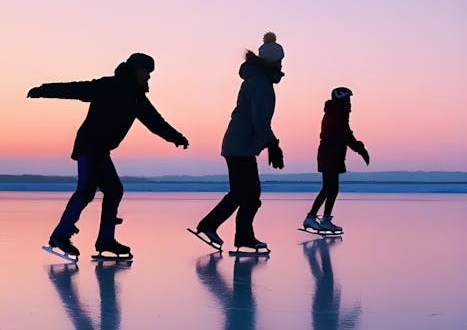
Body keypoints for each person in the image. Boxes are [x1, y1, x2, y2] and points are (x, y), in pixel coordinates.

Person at [27, 53, 189, 258]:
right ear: (136, 70)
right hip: (89, 146)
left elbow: (155, 121)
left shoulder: (137, 98)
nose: (148, 78)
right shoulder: (108, 86)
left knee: (112, 190)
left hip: (100, 150)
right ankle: (63, 235)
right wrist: (43, 90)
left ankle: (105, 239)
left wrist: (176, 137)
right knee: (87, 191)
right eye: (147, 73)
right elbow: (75, 89)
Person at [192, 32, 285, 252]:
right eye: (279, 61)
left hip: (238, 145)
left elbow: (257, 120)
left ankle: (215, 227)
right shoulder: (260, 84)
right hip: (240, 146)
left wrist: (269, 143)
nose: (281, 65)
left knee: (243, 194)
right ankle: (236, 234)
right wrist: (273, 145)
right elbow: (259, 119)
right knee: (249, 195)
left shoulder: (257, 81)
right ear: (270, 62)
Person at [303, 87, 369, 233]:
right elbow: (345, 135)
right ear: (341, 100)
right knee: (329, 188)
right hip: (329, 155)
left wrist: (358, 148)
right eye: (348, 99)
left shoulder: (339, 114)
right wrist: (360, 149)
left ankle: (325, 219)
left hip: (333, 154)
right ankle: (311, 217)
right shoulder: (336, 114)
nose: (350, 103)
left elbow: (346, 134)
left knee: (332, 189)